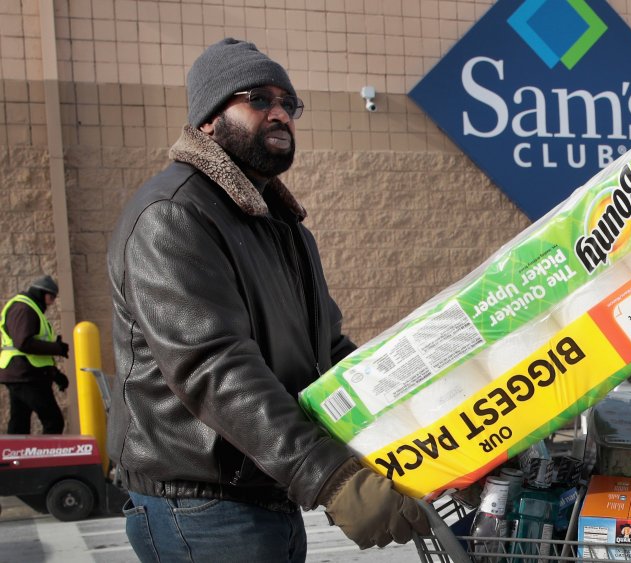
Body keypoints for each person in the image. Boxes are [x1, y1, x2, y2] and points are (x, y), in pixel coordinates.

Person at [106, 38, 428, 562]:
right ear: (209, 118)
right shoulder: (174, 215)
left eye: (289, 103)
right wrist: (331, 478)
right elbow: (214, 367)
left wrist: (418, 422)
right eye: (258, 99)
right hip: (202, 507)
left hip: (268, 490)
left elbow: (328, 351)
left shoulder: (282, 228)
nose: (280, 113)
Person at [0, 275, 70, 434]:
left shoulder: (31, 310)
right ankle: (48, 458)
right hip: (25, 375)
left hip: (24, 374)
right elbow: (23, 343)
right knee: (53, 420)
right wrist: (56, 348)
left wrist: (56, 374)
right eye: (50, 297)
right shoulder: (24, 309)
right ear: (41, 293)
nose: (51, 303)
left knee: (19, 424)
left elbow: (38, 355)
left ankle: (13, 458)